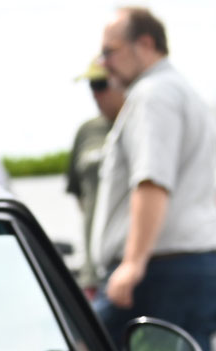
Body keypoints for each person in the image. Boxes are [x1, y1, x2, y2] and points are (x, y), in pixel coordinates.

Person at [92, 7, 216, 351]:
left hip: (160, 273)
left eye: (110, 51)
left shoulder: (153, 95)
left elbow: (152, 181)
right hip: (182, 268)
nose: (103, 63)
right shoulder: (181, 91)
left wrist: (133, 263)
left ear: (145, 44)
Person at [66, 62, 125, 294]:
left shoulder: (144, 126)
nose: (96, 94)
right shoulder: (87, 131)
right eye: (92, 86)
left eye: (101, 84)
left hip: (135, 266)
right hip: (96, 269)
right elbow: (80, 196)